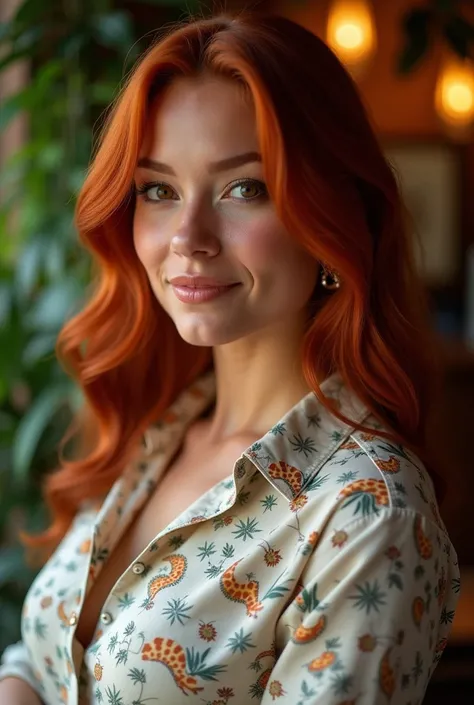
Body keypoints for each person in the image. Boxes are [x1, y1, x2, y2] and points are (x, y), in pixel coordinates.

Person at [0, 10, 460, 705]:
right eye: (158, 189)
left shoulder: (369, 513)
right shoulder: (157, 427)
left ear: (335, 213)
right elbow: (44, 653)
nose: (188, 236)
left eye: (244, 187)